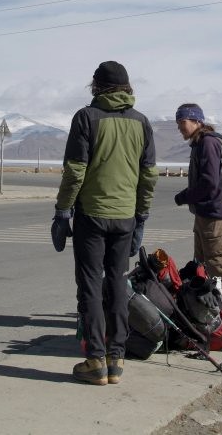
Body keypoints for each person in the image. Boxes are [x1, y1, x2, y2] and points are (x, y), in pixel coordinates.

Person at [53, 61, 158, 385]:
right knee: (116, 284)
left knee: (89, 284)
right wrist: (141, 216)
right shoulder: (142, 123)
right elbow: (149, 175)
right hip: (125, 217)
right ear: (127, 89)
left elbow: (75, 171)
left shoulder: (86, 118)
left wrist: (62, 212)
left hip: (92, 216)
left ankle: (95, 360)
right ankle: (117, 358)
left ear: (96, 87)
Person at [173, 103, 222, 322]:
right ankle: (211, 316)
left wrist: (184, 196)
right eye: (178, 123)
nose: (179, 127)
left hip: (214, 217)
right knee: (201, 265)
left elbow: (209, 183)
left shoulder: (207, 143)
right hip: (205, 214)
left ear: (196, 121)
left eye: (182, 122)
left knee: (218, 265)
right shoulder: (200, 143)